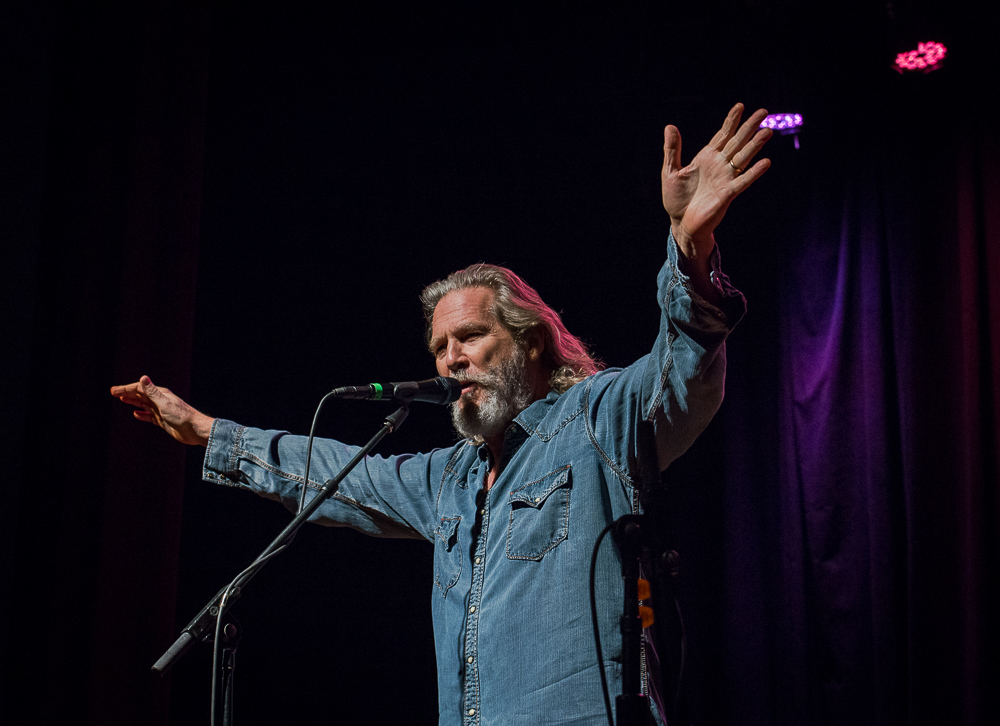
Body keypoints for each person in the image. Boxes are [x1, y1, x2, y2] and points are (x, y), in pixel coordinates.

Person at [112, 104, 771, 726]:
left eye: (470, 338)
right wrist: (208, 434)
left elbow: (683, 366)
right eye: (438, 347)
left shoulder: (597, 418)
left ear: (532, 340)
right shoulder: (449, 479)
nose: (450, 359)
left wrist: (689, 250)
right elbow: (335, 472)